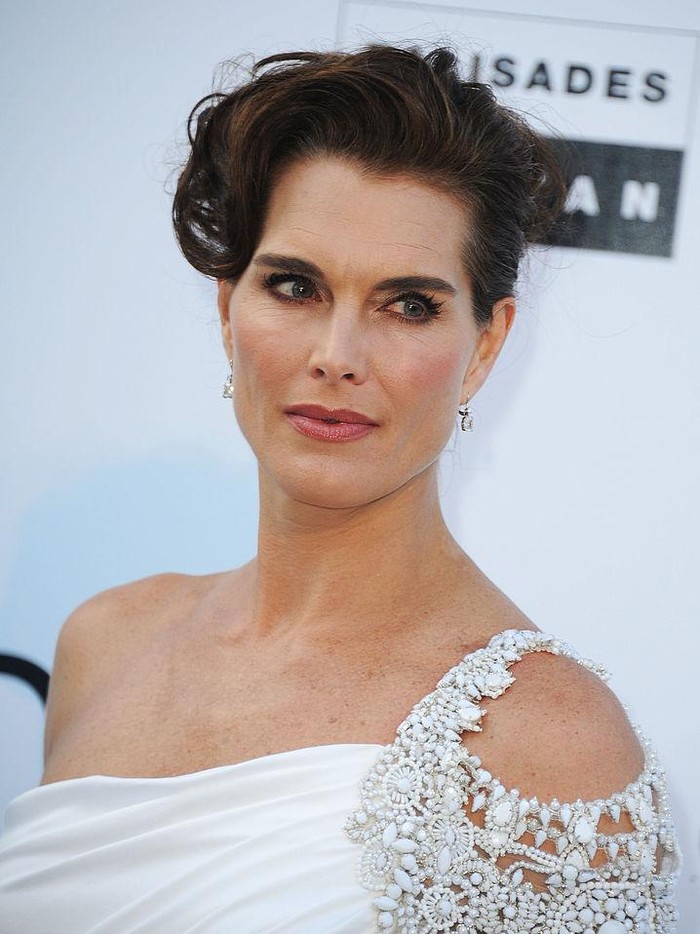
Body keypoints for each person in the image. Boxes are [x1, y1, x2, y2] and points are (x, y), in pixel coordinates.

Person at [0, 45, 679, 933]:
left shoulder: (549, 738)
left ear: (484, 346)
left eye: (409, 305)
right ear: (228, 310)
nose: (337, 356)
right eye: (294, 287)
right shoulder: (105, 639)